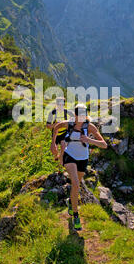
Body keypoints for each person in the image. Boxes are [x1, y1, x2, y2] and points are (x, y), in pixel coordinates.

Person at [51, 103, 107, 231]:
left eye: (84, 115)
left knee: (77, 183)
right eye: (79, 115)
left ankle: (71, 202)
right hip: (69, 155)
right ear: (75, 115)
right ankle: (76, 216)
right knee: (75, 183)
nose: (82, 117)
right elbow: (56, 127)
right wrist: (53, 143)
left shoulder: (90, 127)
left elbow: (104, 144)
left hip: (83, 159)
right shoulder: (68, 123)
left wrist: (89, 140)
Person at [46, 97, 74, 162]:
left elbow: (75, 121)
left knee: (63, 147)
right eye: (59, 104)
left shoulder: (68, 113)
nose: (60, 106)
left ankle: (61, 161)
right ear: (56, 104)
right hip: (55, 133)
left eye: (62, 104)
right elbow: (48, 126)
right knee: (53, 150)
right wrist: (56, 124)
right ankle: (56, 156)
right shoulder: (52, 113)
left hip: (64, 133)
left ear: (64, 104)